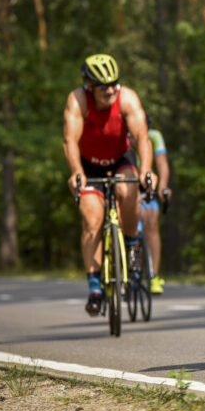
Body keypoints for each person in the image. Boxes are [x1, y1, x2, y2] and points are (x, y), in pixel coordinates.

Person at [63, 53, 156, 316]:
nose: (111, 89)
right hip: (88, 164)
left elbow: (142, 138)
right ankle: (95, 287)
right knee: (91, 220)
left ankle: (131, 242)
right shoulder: (77, 101)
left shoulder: (127, 98)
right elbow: (70, 141)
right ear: (89, 86)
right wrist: (76, 172)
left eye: (115, 83)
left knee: (128, 190)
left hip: (120, 159)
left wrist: (146, 170)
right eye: (104, 86)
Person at [142, 115, 172, 294]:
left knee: (152, 223)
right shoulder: (124, 135)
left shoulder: (154, 136)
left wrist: (163, 187)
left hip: (147, 184)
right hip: (127, 182)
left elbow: (162, 165)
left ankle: (153, 274)